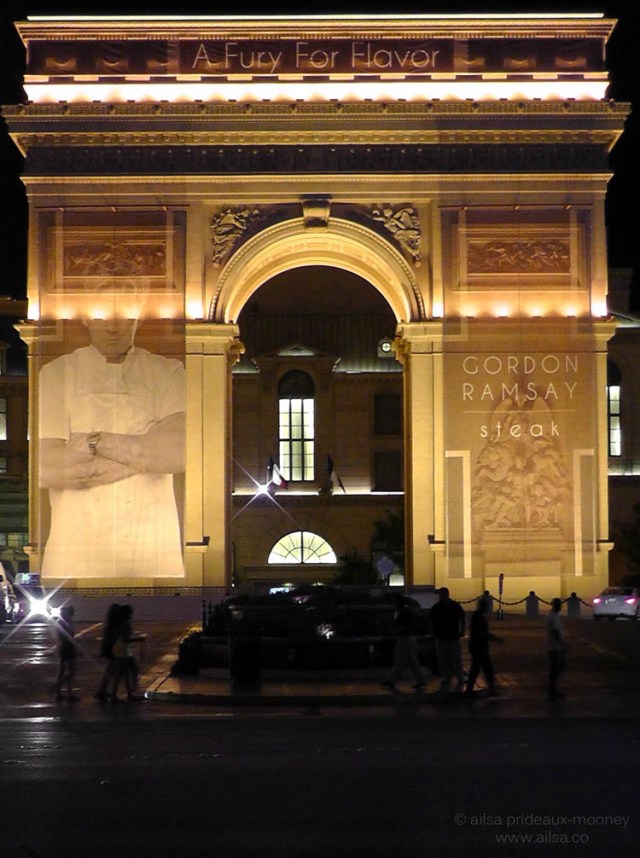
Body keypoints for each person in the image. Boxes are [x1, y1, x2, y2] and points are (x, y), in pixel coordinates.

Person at [39, 316, 185, 578]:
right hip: (75, 549)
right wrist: (144, 452)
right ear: (86, 320)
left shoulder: (169, 371)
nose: (112, 327)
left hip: (151, 545)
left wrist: (92, 441)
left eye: (123, 317)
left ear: (139, 317)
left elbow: (177, 454)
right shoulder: (57, 372)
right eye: (101, 317)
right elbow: (45, 468)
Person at [381, 595, 429, 692]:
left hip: (404, 638)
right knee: (411, 661)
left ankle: (392, 680)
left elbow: (406, 625)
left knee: (400, 659)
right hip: (406, 637)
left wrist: (396, 631)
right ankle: (421, 679)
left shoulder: (403, 613)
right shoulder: (405, 612)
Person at [429, 587, 466, 693]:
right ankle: (448, 676)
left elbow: (462, 617)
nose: (441, 597)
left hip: (451, 636)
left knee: (455, 659)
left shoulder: (450, 606)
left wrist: (462, 629)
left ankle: (456, 676)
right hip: (443, 636)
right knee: (444, 659)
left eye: (442, 595)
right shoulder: (439, 607)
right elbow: (431, 620)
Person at [464, 596, 503, 697]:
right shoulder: (479, 618)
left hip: (477, 646)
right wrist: (495, 638)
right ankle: (488, 688)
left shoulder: (476, 616)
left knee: (479, 668)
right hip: (480, 647)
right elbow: (482, 633)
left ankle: (470, 689)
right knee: (483, 668)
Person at [111, 604, 147, 702]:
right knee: (131, 670)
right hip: (123, 651)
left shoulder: (121, 623)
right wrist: (139, 639)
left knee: (124, 673)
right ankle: (129, 692)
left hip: (122, 650)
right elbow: (125, 639)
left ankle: (126, 694)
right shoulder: (125, 624)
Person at [94, 602, 122, 702]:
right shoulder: (114, 625)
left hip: (108, 648)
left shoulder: (108, 623)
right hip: (113, 649)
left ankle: (102, 690)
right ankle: (110, 694)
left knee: (108, 671)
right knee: (115, 672)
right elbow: (115, 637)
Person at [53, 605, 79, 701]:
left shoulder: (59, 622)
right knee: (71, 672)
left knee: (62, 671)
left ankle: (59, 693)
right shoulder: (66, 623)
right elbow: (69, 636)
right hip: (67, 648)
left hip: (62, 648)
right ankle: (65, 691)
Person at [546, 597, 567, 700]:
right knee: (555, 669)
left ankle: (552, 688)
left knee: (555, 669)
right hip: (555, 646)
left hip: (553, 645)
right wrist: (562, 645)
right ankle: (552, 689)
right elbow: (555, 632)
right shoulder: (553, 617)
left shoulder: (552, 616)